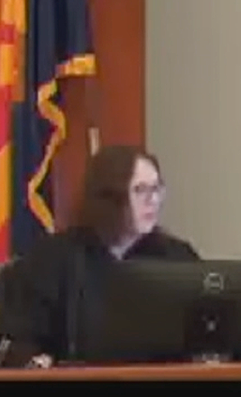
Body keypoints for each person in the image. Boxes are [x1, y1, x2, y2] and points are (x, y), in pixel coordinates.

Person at [0, 145, 199, 365]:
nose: (153, 200)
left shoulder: (177, 258)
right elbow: (20, 338)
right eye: (140, 190)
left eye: (156, 189)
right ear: (108, 198)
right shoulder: (54, 259)